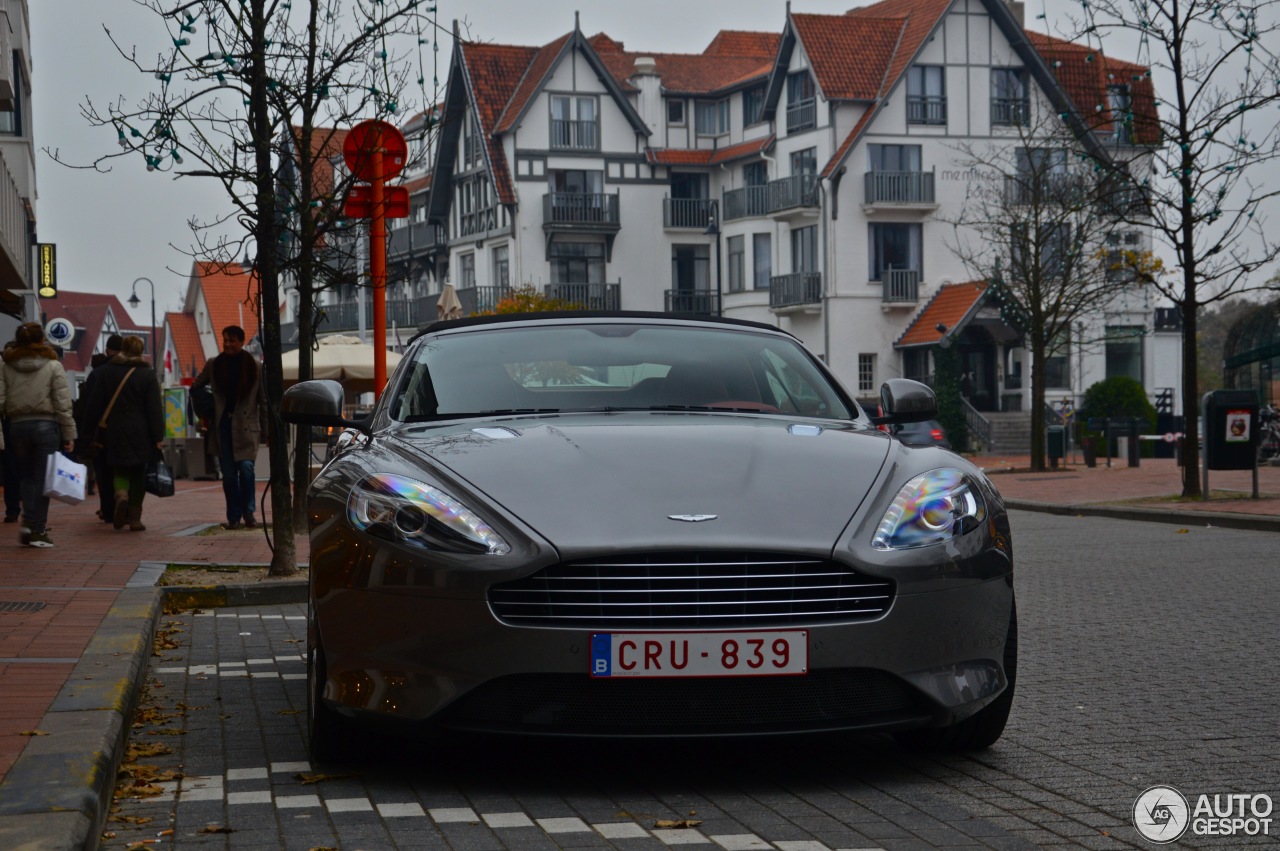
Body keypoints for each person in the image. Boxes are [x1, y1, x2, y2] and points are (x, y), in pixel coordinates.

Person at [0, 323, 78, 547]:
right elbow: (63, 403)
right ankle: (36, 528)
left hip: (17, 427)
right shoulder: (53, 366)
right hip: (46, 425)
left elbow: (1, 401)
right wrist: (69, 433)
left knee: (26, 476)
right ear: (42, 339)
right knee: (43, 479)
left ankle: (27, 522)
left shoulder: (6, 366)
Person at [83, 336, 164, 531]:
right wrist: (158, 436)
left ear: (121, 350)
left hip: (114, 429)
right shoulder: (147, 374)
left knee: (120, 469)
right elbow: (154, 408)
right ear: (140, 351)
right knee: (138, 473)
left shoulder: (107, 372)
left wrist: (87, 432)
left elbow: (94, 405)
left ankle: (120, 494)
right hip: (141, 431)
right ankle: (135, 518)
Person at [192, 325, 266, 529]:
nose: (228, 344)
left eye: (232, 340)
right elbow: (196, 387)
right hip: (222, 427)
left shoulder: (255, 366)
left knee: (247, 468)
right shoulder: (214, 364)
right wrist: (206, 410)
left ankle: (249, 512)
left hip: (246, 428)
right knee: (229, 475)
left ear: (242, 342)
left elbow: (263, 401)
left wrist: (268, 432)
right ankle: (234, 515)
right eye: (225, 340)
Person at [79, 336, 123, 522]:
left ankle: (108, 509)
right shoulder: (134, 371)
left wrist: (87, 433)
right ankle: (126, 501)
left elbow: (90, 406)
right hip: (127, 430)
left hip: (102, 430)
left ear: (107, 350)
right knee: (125, 469)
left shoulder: (98, 374)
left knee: (103, 472)